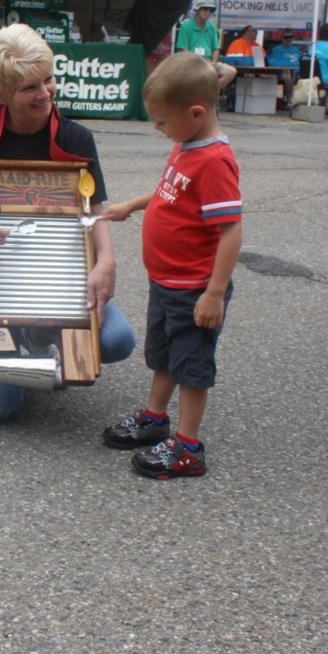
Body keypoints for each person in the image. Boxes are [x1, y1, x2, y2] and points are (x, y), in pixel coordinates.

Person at [0, 24, 136, 424]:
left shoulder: (76, 140)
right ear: (0, 93)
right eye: (29, 88)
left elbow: (95, 208)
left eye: (49, 80)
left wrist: (106, 261)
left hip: (56, 278)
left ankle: (30, 340)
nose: (46, 93)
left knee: (119, 340)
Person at [99, 52, 243, 479]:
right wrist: (132, 205)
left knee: (192, 367)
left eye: (163, 121)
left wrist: (214, 293)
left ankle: (187, 446)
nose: (158, 129)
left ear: (197, 113)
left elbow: (231, 232)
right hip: (166, 281)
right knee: (164, 357)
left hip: (194, 288)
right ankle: (155, 417)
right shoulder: (188, 143)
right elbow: (168, 195)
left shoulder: (214, 161)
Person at [175, 0, 237, 93]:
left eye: (210, 10)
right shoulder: (186, 26)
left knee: (231, 71)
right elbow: (184, 49)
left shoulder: (212, 27)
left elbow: (216, 49)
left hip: (208, 63)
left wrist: (213, 63)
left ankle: (211, 92)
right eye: (205, 9)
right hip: (190, 63)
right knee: (198, 78)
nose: (208, 12)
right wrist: (197, 62)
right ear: (197, 10)